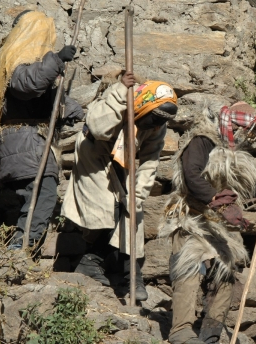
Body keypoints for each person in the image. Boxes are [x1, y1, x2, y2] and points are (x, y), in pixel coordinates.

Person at [161, 102, 256, 344]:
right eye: (242, 129)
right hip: (190, 217)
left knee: (225, 274)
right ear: (230, 124)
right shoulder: (202, 141)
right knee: (189, 269)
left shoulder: (228, 150)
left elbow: (233, 180)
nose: (245, 136)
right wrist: (219, 202)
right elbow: (192, 175)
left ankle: (211, 335)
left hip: (216, 224)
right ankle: (181, 330)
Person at [61, 72, 178, 302]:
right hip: (94, 153)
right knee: (105, 205)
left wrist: (139, 194)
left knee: (131, 210)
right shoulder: (117, 99)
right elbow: (98, 129)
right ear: (144, 104)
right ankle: (90, 259)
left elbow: (149, 160)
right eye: (153, 118)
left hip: (122, 159)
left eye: (160, 121)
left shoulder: (158, 126)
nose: (155, 126)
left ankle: (131, 275)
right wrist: (119, 95)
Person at [0, 10, 83, 248]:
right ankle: (18, 252)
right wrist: (56, 60)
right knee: (42, 195)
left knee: (38, 197)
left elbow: (48, 99)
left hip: (29, 143)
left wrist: (77, 114)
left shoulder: (28, 61)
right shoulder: (17, 59)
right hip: (24, 143)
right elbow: (28, 85)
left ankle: (20, 251)